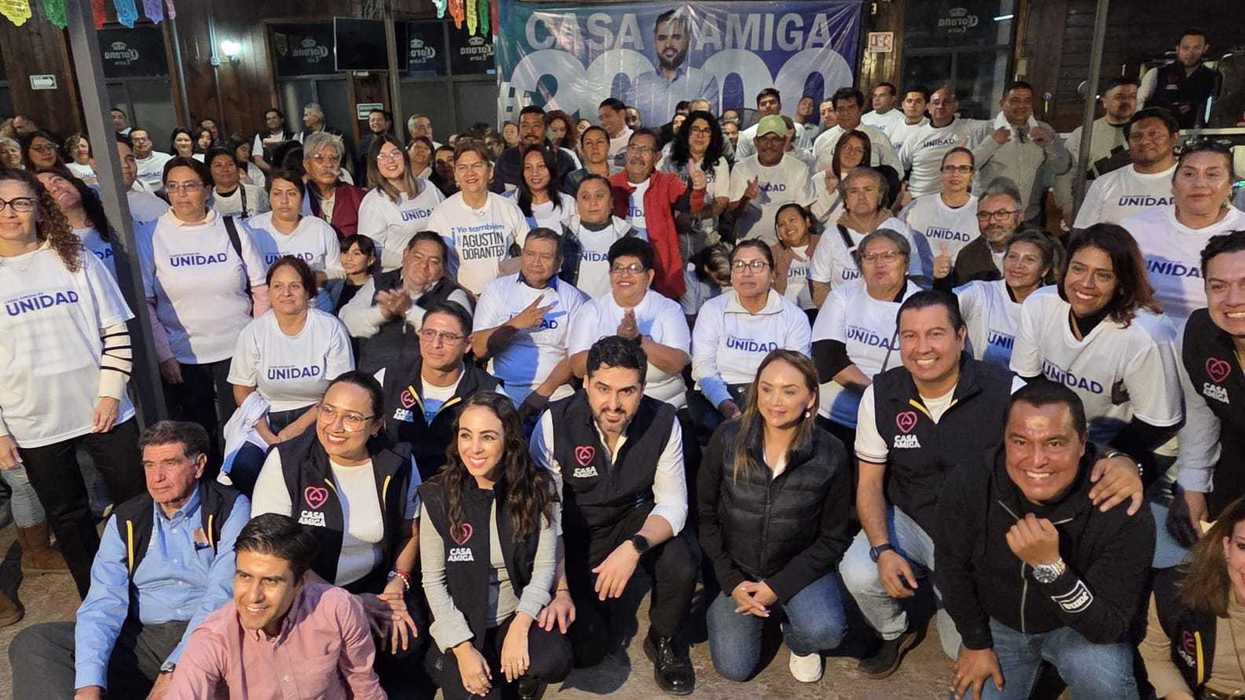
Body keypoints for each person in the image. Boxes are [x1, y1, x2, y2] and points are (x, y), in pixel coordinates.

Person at [939, 381, 1154, 700]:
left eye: (1055, 443)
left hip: (1076, 632)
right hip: (1001, 623)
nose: (1036, 460)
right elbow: (950, 566)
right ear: (1005, 441)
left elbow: (1108, 628)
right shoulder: (972, 479)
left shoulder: (1121, 506)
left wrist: (1052, 569)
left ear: (1082, 444)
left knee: (1104, 679)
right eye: (1021, 441)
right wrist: (975, 642)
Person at [8, 421, 249, 699]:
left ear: (198, 465)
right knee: (37, 643)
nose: (157, 477)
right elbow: (102, 602)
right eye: (149, 465)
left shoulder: (230, 508)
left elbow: (222, 596)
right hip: (145, 637)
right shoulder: (127, 518)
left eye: (170, 463)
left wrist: (176, 668)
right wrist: (88, 686)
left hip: (210, 635)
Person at [0, 168, 146, 598]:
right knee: (68, 518)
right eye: (1, 203)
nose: (10, 212)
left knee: (135, 501)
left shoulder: (74, 257)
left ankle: (150, 583)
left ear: (39, 209)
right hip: (33, 418)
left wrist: (109, 394)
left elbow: (115, 330)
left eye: (21, 202)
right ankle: (98, 598)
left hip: (104, 409)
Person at [529, 336, 700, 694]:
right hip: (574, 533)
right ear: (586, 384)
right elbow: (547, 519)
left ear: (642, 388)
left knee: (681, 559)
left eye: (627, 391)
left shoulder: (665, 421)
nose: (613, 404)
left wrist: (633, 548)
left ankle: (665, 639)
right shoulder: (553, 424)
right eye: (603, 389)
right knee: (590, 649)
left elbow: (673, 503)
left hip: (629, 520)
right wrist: (560, 586)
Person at [250, 373, 423, 690]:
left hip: (373, 584)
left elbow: (411, 531)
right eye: (327, 411)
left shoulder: (398, 462)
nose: (335, 426)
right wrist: (347, 603)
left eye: (352, 418)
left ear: (376, 425)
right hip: (302, 593)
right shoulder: (287, 461)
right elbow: (272, 551)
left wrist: (396, 584)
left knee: (405, 638)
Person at [698, 350, 852, 683]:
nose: (775, 401)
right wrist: (731, 580)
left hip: (796, 569)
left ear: (811, 397)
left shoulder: (831, 453)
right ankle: (755, 610)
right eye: (766, 389)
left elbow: (834, 536)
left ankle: (796, 637)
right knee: (735, 669)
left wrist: (777, 586)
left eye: (789, 390)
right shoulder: (728, 438)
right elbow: (705, 516)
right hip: (736, 570)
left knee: (826, 631)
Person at [420, 392, 573, 699]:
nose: (474, 448)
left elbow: (544, 567)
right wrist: (463, 650)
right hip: (464, 621)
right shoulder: (437, 495)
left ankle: (519, 672)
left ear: (509, 441)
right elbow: (433, 582)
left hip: (513, 612)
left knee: (552, 659)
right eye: (466, 435)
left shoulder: (540, 488)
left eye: (487, 437)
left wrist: (521, 625)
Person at [164, 513, 386, 699]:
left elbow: (364, 686)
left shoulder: (337, 607)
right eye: (244, 577)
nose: (253, 596)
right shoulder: (213, 638)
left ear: (300, 583)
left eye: (270, 581)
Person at [1011, 223, 1183, 463]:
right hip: (1073, 437)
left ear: (1122, 282)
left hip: (1142, 443)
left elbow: (1158, 424)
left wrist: (1096, 458)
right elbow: (1027, 379)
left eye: (1103, 275)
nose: (1086, 283)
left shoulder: (1147, 334)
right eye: (1078, 269)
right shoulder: (1039, 304)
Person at [144, 157, 270, 467]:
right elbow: (146, 301)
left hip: (237, 350)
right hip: (183, 357)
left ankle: (238, 485)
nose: (181, 194)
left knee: (239, 429)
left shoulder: (232, 229)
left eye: (189, 186)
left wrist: (256, 344)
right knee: (195, 434)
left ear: (207, 189)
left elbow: (260, 288)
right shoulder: (151, 234)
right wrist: (164, 354)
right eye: (172, 187)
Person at [225, 257, 355, 495]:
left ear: (308, 291)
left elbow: (341, 390)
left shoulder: (330, 328)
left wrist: (294, 429)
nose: (286, 293)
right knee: (243, 467)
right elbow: (242, 389)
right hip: (264, 416)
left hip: (318, 415)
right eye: (278, 286)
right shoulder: (254, 331)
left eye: (294, 286)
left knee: (310, 469)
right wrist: (265, 432)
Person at [811, 229, 921, 448]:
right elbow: (827, 357)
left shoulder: (922, 304)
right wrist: (875, 394)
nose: (879, 264)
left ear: (906, 263)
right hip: (834, 416)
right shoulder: (842, 295)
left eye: (888, 256)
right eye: (869, 257)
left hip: (897, 416)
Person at [691, 241, 812, 423]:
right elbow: (703, 366)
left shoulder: (794, 317)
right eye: (739, 265)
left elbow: (796, 371)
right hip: (718, 396)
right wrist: (725, 404)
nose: (747, 273)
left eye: (756, 265)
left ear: (772, 274)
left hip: (771, 398)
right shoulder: (712, 310)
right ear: (731, 275)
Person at [379, 301, 501, 480]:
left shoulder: (488, 392)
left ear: (467, 344)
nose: (436, 344)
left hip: (456, 491)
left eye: (449, 337)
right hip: (396, 486)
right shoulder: (388, 378)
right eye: (429, 333)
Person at [1124, 144, 1244, 325]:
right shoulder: (1136, 228)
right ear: (1173, 185)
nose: (1199, 183)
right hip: (1144, 336)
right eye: (1189, 174)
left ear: (1230, 186)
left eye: (1212, 175)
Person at [471, 228, 589, 412]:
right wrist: (515, 324)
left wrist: (541, 395)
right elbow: (479, 349)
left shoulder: (572, 297)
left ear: (559, 261)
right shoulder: (497, 289)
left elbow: (572, 358)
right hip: (503, 387)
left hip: (555, 389)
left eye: (545, 256)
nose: (536, 262)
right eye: (530, 254)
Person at [1172, 231, 1245, 529]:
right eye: (1218, 286)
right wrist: (1193, 484)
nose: (1232, 299)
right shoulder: (1198, 335)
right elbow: (1202, 413)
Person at [567, 237, 691, 409]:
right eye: (618, 268)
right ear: (610, 274)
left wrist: (638, 340)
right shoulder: (591, 310)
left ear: (649, 276)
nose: (625, 275)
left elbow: (677, 363)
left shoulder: (668, 309)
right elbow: (578, 368)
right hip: (605, 404)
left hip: (664, 402)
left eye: (634, 268)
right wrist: (616, 342)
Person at [1142, 495, 1245, 700]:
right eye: (1243, 547)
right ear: (1226, 547)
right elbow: (1153, 655)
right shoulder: (1176, 589)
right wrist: (1178, 695)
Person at [338, 231, 472, 375]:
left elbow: (457, 336)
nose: (424, 266)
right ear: (405, 254)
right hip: (372, 379)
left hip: (424, 382)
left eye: (433, 262)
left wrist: (409, 311)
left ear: (442, 267)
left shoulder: (453, 294)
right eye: (418, 257)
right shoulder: (378, 282)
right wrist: (382, 313)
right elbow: (346, 320)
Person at [610, 128, 707, 301]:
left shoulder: (667, 182)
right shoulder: (611, 185)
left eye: (645, 149)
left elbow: (690, 208)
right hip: (622, 270)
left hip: (662, 270)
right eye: (633, 147)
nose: (637, 154)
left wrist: (697, 189)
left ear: (657, 157)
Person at [809, 168, 928, 307]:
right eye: (853, 191)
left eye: (868, 189)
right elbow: (819, 283)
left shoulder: (900, 229)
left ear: (880, 196)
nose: (861, 196)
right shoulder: (831, 235)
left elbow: (914, 275)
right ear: (845, 200)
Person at [426, 142, 530, 296]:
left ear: (490, 171)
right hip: (461, 297)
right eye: (462, 168)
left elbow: (529, 249)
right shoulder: (441, 213)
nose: (470, 173)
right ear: (455, 174)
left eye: (477, 166)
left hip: (505, 295)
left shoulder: (508, 207)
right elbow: (433, 262)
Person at [955, 229, 1061, 368]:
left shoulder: (1055, 304)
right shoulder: (981, 292)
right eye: (1012, 256)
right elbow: (939, 305)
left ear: (1044, 270)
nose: (1018, 265)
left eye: (1029, 259)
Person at [243, 168, 344, 311]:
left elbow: (340, 272)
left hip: (314, 308)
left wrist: (318, 276)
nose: (284, 200)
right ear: (269, 197)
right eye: (277, 194)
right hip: (269, 309)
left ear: (302, 198)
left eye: (291, 193)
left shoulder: (320, 229)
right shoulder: (251, 229)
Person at [972, 81, 1071, 225]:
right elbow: (967, 167)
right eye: (1015, 101)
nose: (1021, 106)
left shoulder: (1044, 130)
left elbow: (1062, 168)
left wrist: (1050, 143)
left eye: (1027, 101)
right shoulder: (985, 130)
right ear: (1002, 103)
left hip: (1028, 217)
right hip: (990, 217)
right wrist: (992, 143)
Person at [1072, 106, 1178, 228]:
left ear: (1174, 138)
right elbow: (1083, 234)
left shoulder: (1195, 181)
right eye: (1136, 136)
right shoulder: (1104, 183)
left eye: (1154, 134)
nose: (1145, 141)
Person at [1054, 77, 1140, 222]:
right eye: (1119, 97)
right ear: (1104, 101)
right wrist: (1067, 206)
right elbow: (1065, 174)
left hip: (1136, 209)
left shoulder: (1147, 135)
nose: (1126, 101)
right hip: (1094, 211)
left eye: (1132, 97)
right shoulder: (1083, 134)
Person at [357, 134, 445, 271]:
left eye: (395, 154)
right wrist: (411, 262)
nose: (390, 160)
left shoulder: (428, 188)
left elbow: (447, 222)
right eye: (382, 157)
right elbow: (369, 249)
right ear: (375, 164)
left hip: (437, 272)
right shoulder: (374, 201)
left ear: (404, 157)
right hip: (398, 277)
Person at [728, 115, 816, 246]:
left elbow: (804, 214)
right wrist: (745, 199)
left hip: (788, 247)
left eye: (775, 139)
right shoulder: (741, 168)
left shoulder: (799, 168)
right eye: (764, 139)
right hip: (750, 247)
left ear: (784, 141)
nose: (769, 145)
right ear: (756, 142)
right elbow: (731, 216)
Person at [627, 8, 719, 130]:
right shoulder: (640, 83)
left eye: (676, 37)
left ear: (687, 41)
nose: (668, 45)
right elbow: (630, 125)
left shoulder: (705, 81)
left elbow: (707, 126)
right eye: (662, 38)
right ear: (655, 42)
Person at [659, 110, 730, 261]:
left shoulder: (719, 162)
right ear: (686, 133)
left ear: (713, 136)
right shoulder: (669, 162)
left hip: (706, 235)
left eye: (706, 131)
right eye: (695, 129)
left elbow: (721, 203)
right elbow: (659, 197)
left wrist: (694, 217)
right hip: (673, 233)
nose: (700, 135)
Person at [559, 174, 643, 299]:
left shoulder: (630, 237)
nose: (593, 203)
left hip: (614, 312)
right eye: (585, 197)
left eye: (599, 196)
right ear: (577, 204)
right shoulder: (562, 234)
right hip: (574, 311)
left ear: (611, 203)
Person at [897, 86, 988, 198]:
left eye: (946, 102)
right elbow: (900, 168)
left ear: (955, 106)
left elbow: (998, 126)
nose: (940, 106)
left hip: (953, 199)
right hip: (918, 197)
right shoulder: (915, 136)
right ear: (929, 108)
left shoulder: (970, 128)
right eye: (936, 102)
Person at [934, 178, 1025, 289]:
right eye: (984, 215)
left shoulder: (1040, 248)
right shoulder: (968, 256)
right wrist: (942, 280)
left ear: (1020, 217)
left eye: (1001, 214)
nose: (992, 221)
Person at [901, 148, 979, 275]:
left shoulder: (982, 209)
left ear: (972, 175)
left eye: (963, 168)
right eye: (949, 168)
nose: (955, 174)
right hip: (922, 280)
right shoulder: (917, 206)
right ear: (941, 172)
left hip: (965, 281)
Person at [36, 169, 120, 279]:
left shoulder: (114, 218)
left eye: (57, 180)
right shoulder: (50, 247)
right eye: (44, 190)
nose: (55, 187)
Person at [1140, 28, 1217, 129]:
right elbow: (1139, 105)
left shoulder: (1213, 77)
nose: (1190, 53)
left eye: (1196, 48)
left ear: (1205, 48)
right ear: (1177, 48)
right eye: (1186, 48)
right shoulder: (1157, 74)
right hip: (1159, 133)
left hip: (1196, 133)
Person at [493, 106, 579, 195]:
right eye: (525, 126)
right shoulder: (506, 159)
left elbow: (573, 197)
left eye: (536, 126)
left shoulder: (563, 159)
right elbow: (497, 195)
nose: (530, 131)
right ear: (519, 129)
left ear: (546, 129)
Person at [813, 87, 902, 174]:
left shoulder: (878, 137)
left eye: (851, 107)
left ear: (860, 109)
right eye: (841, 109)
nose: (845, 113)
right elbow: (814, 173)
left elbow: (896, 171)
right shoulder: (823, 140)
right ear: (836, 111)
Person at [303, 131, 366, 238]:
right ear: (306, 164)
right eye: (319, 158)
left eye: (334, 158)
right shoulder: (298, 197)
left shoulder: (357, 197)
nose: (328, 164)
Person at [809, 128, 871, 224]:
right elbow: (813, 216)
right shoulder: (818, 179)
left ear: (864, 157)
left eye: (858, 150)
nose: (851, 153)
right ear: (838, 149)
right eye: (847, 147)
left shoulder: (869, 183)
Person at [771, 203, 821, 319]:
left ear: (807, 221)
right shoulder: (772, 254)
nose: (788, 227)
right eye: (782, 224)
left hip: (823, 314)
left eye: (792, 220)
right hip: (787, 318)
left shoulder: (825, 245)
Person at [513, 146, 578, 232]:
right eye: (528, 167)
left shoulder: (568, 203)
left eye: (541, 166)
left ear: (551, 169)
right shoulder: (511, 204)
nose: (534, 173)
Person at [106, 135, 169, 223]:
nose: (125, 165)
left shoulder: (155, 204)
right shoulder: (89, 202)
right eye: (115, 160)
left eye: (130, 159)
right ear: (93, 163)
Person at [206, 147, 269, 218]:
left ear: (238, 168)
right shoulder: (206, 199)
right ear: (209, 170)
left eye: (230, 164)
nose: (225, 169)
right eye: (218, 165)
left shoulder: (256, 192)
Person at [330, 233, 378, 313]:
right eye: (345, 252)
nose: (349, 258)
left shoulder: (377, 288)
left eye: (356, 254)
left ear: (371, 260)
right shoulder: (336, 286)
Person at [733, 87, 784, 161]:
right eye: (763, 104)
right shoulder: (747, 135)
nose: (768, 106)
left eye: (772, 102)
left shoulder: (796, 129)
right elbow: (740, 165)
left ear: (780, 106)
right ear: (758, 109)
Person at [564, 125, 612, 195]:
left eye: (600, 142)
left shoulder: (622, 172)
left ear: (608, 146)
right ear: (582, 149)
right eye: (588, 143)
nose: (595, 147)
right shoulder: (574, 178)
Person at [886, 87, 931, 152]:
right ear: (903, 105)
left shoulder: (931, 127)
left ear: (926, 106)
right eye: (909, 101)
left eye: (918, 101)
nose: (913, 105)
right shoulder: (892, 126)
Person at [355, 108, 393, 178]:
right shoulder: (364, 142)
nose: (376, 122)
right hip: (369, 182)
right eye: (372, 120)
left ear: (386, 122)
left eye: (379, 120)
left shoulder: (393, 141)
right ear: (369, 123)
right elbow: (360, 167)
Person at [599, 98, 634, 172]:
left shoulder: (636, 139)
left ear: (622, 114)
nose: (603, 122)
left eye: (608, 116)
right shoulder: (599, 143)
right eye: (601, 118)